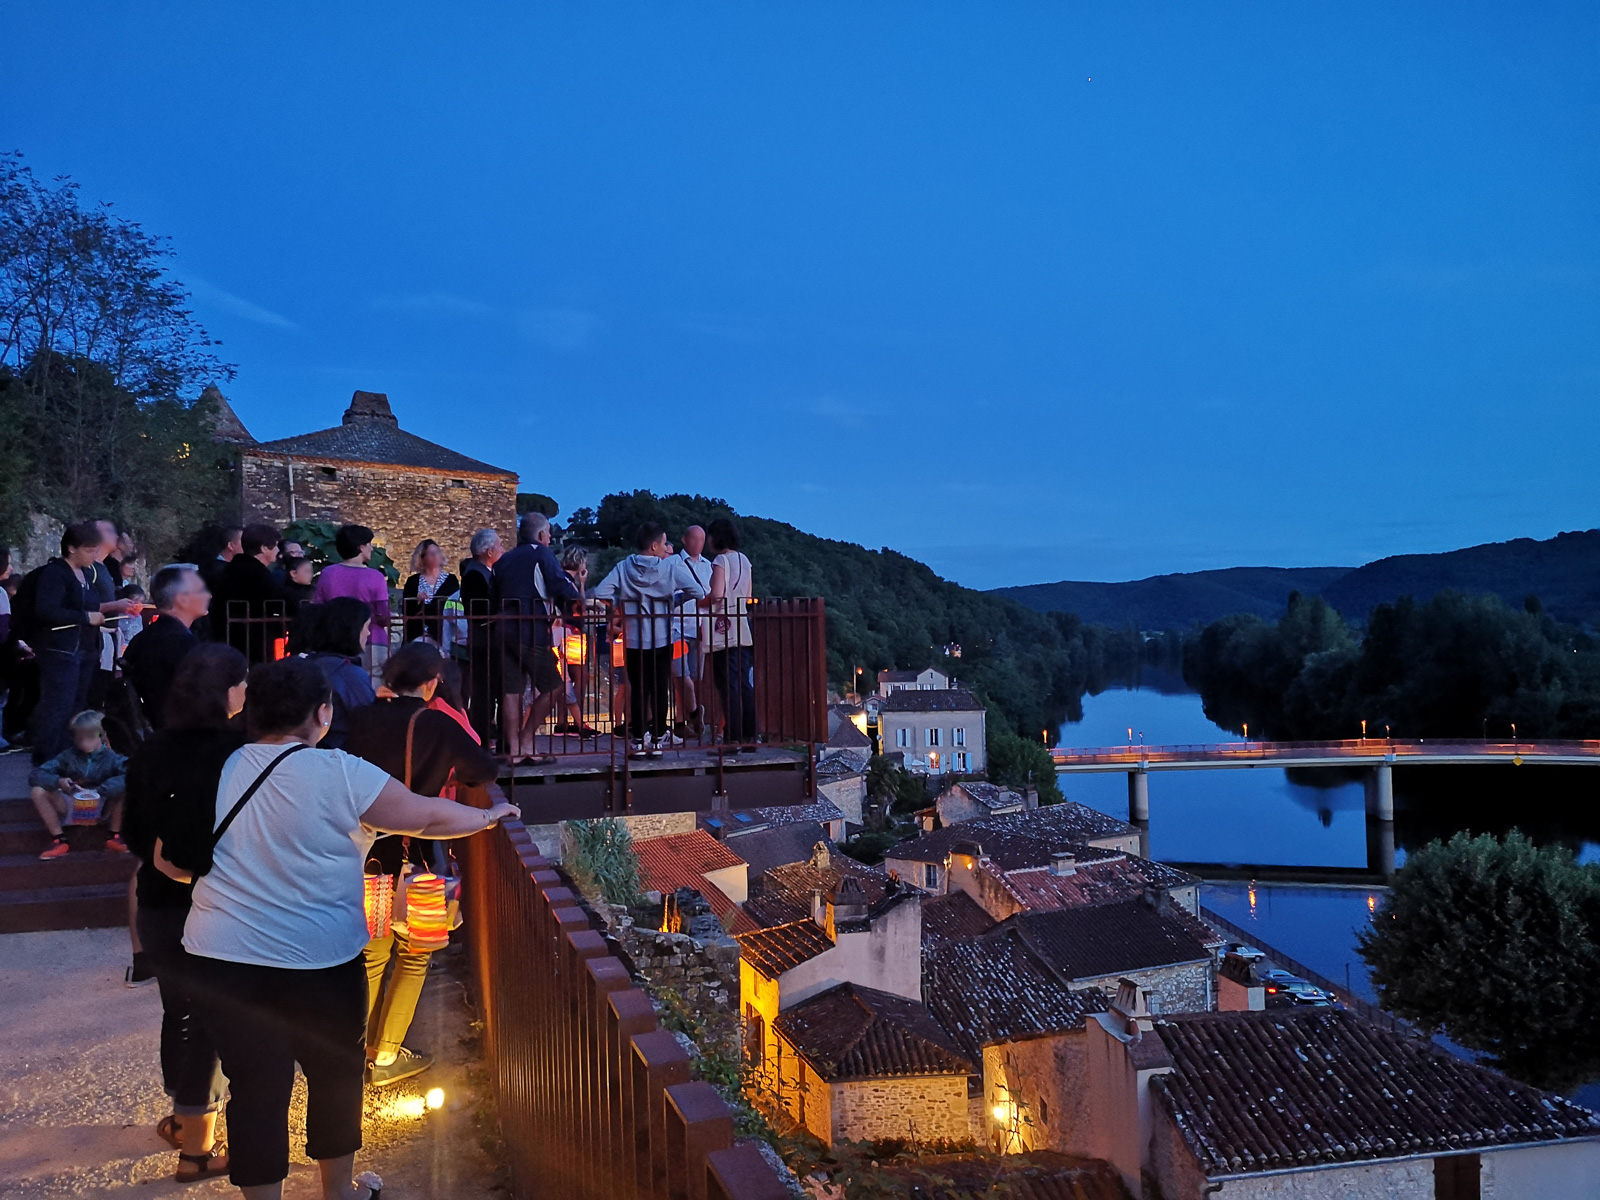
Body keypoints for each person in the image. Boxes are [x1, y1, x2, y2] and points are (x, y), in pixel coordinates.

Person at [172, 656, 520, 1200]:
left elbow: (174, 862)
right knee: (335, 1076)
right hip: (320, 959)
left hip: (223, 955)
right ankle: (340, 1192)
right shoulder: (339, 771)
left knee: (256, 1087)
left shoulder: (219, 765)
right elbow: (424, 816)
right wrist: (486, 817)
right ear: (323, 713)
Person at [345, 643, 499, 1086]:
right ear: (432, 683)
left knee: (371, 956)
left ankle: (354, 1055)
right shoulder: (434, 722)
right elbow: (482, 770)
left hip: (371, 858)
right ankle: (387, 1056)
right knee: (414, 957)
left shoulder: (360, 717)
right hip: (420, 860)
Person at [122, 643, 247, 1182]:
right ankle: (196, 1150)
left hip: (159, 908)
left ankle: (184, 1119)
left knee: (184, 1014)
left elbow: (131, 834)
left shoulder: (152, 748)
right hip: (214, 907)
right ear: (227, 694)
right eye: (243, 682)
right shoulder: (239, 753)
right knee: (213, 1026)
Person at [591, 523, 708, 758]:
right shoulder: (669, 568)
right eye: (664, 543)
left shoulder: (623, 567)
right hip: (661, 636)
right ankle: (656, 741)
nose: (665, 547)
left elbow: (600, 592)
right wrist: (672, 601)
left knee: (638, 688)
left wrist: (621, 603)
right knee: (659, 688)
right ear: (655, 546)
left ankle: (637, 739)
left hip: (634, 639)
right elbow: (698, 592)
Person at [492, 513, 580, 761]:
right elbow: (558, 584)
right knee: (555, 686)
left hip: (502, 629)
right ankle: (527, 740)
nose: (551, 537)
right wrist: (580, 603)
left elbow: (492, 597)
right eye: (549, 532)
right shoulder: (541, 554)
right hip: (529, 629)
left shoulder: (503, 561)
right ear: (541, 535)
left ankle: (514, 750)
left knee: (511, 690)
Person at [25, 522, 107, 764]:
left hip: (84, 648)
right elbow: (46, 609)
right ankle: (47, 760)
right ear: (72, 548)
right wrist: (85, 617)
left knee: (77, 706)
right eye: (89, 549)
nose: (94, 554)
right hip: (60, 649)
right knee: (58, 705)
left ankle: (69, 755)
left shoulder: (86, 574)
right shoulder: (55, 573)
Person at [29, 709, 128, 858]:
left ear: (101, 735)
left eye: (90, 737)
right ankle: (59, 839)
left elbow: (132, 774)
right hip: (73, 802)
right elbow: (37, 774)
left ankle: (114, 836)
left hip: (101, 804)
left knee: (125, 788)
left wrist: (101, 790)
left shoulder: (112, 757)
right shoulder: (68, 755)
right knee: (37, 791)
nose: (84, 743)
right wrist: (58, 781)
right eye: (79, 738)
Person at [123, 566, 211, 731]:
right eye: (201, 590)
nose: (208, 595)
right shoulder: (182, 644)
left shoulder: (141, 639)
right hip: (178, 734)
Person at [704, 517, 757, 748]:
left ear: (715, 538)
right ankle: (750, 734)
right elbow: (747, 595)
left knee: (727, 683)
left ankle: (732, 736)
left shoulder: (720, 561)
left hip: (722, 627)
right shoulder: (744, 560)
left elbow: (716, 595)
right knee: (743, 682)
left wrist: (699, 603)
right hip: (742, 625)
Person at [297, 598, 376, 750]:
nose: (368, 633)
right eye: (366, 626)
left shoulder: (309, 662)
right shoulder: (349, 674)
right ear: (352, 630)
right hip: (340, 753)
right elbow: (370, 721)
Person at [311, 524, 392, 665]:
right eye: (369, 544)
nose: (371, 548)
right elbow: (383, 614)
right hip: (372, 638)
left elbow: (318, 607)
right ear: (361, 547)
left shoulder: (328, 573)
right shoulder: (375, 576)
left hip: (335, 639)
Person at [210, 523, 288, 663]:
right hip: (253, 645)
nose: (277, 550)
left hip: (226, 642)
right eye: (275, 545)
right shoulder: (259, 576)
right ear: (264, 548)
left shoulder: (230, 570)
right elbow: (283, 603)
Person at [457, 528, 503, 741]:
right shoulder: (476, 574)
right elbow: (480, 610)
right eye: (500, 546)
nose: (503, 550)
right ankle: (481, 739)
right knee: (484, 692)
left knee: (486, 691)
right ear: (489, 551)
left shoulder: (479, 571)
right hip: (484, 640)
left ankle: (483, 737)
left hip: (484, 639)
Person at [672, 525, 714, 739]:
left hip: (700, 628)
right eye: (694, 539)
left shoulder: (709, 566)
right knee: (681, 674)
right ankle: (693, 714)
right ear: (684, 539)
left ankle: (684, 721)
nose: (698, 543)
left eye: (702, 539)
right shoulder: (674, 564)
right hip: (677, 627)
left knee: (694, 676)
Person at [552, 546, 598, 738]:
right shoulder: (567, 582)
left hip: (563, 631)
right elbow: (580, 606)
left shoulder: (559, 578)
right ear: (580, 562)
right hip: (570, 632)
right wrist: (582, 584)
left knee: (567, 676)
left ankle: (564, 721)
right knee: (579, 675)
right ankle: (577, 721)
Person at [400, 539, 459, 645]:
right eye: (431, 554)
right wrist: (417, 601)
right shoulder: (413, 582)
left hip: (442, 633)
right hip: (417, 633)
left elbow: (453, 605)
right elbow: (406, 610)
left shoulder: (451, 580)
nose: (436, 556)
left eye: (438, 552)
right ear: (422, 558)